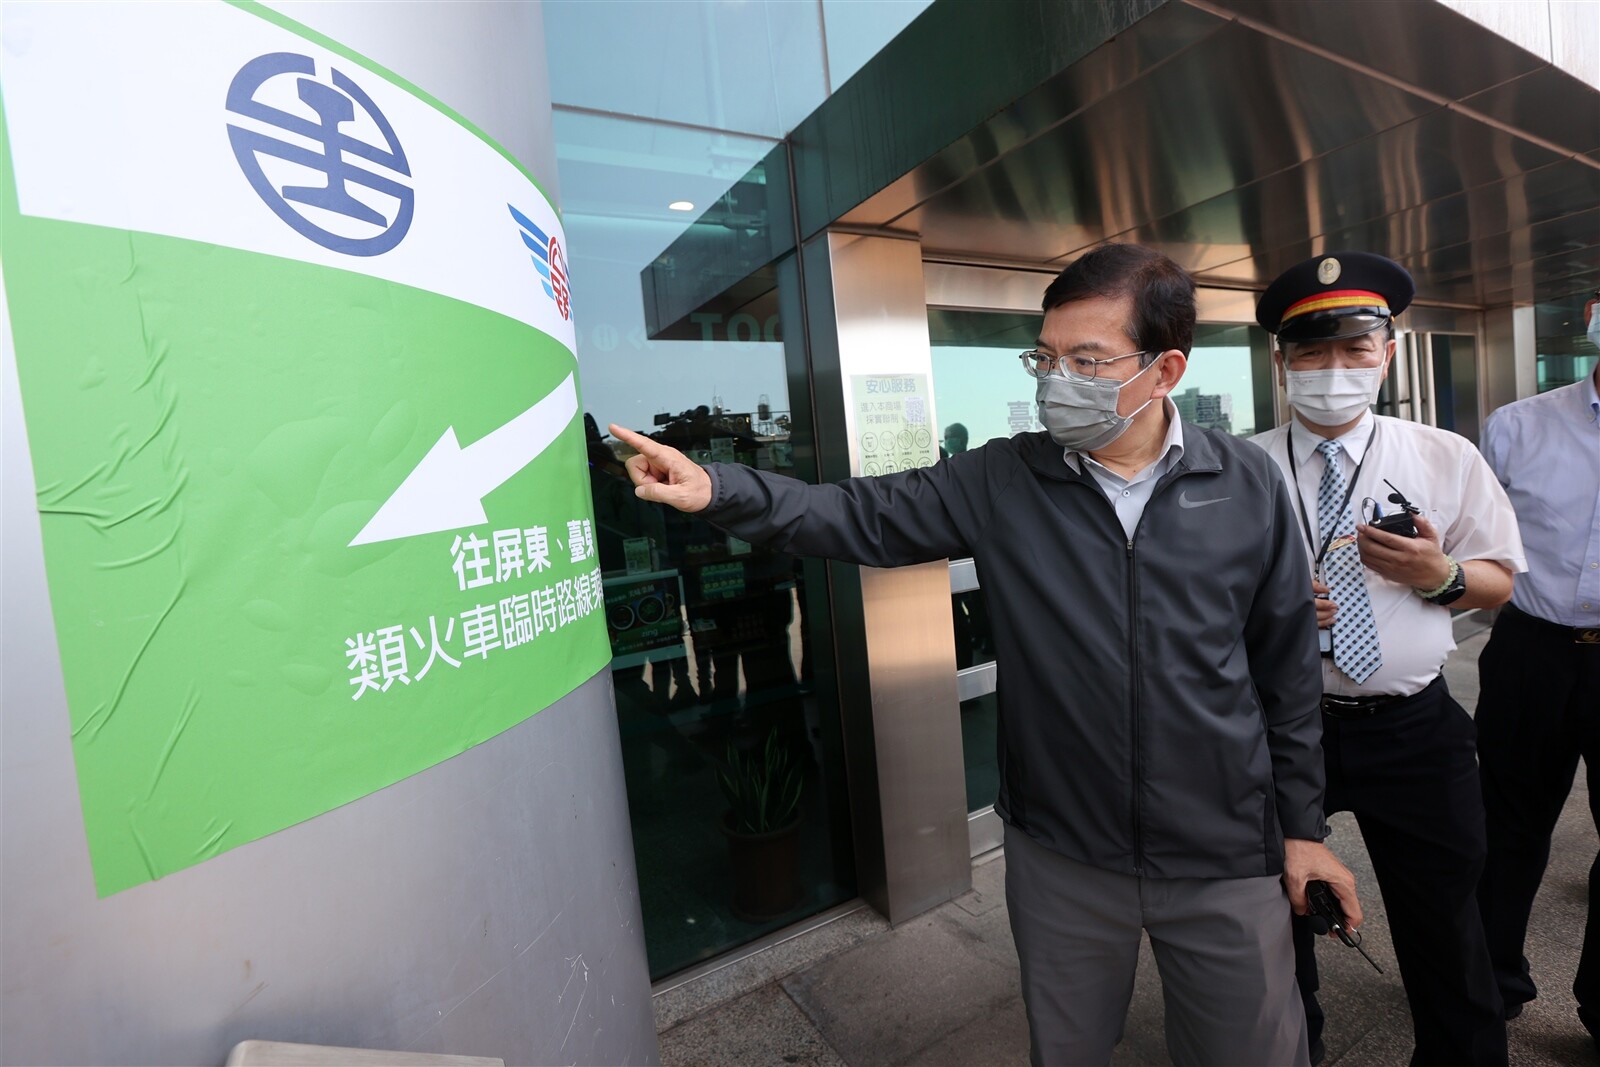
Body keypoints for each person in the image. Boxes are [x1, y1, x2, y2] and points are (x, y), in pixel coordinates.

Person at [612, 244, 1360, 1067]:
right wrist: (720, 489)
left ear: (1165, 369)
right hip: (1063, 854)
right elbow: (854, 514)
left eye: (1086, 359)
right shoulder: (1004, 478)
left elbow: (1285, 673)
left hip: (1224, 852)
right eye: (1046, 357)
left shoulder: (1246, 482)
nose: (1055, 379)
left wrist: (1299, 828)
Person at [1249, 252, 1525, 1067]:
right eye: (1312, 351)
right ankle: (1294, 1051)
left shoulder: (1444, 456)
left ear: (1388, 352)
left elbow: (1501, 578)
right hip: (1281, 726)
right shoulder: (1240, 468)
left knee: (1444, 917)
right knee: (1278, 914)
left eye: (1354, 349)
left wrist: (1438, 575)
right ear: (1281, 361)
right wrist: (1267, 611)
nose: (1333, 369)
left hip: (1413, 726)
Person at [1475, 292, 1600, 1049]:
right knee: (1507, 824)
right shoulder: (1517, 425)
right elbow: (1474, 537)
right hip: (1532, 649)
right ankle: (1490, 980)